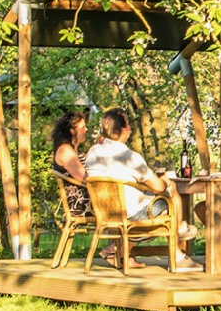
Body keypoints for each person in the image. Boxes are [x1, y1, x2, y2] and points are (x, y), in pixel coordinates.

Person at [84, 107, 199, 271]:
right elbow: (158, 187)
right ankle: (179, 248)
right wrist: (165, 179)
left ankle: (118, 248)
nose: (130, 128)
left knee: (155, 202)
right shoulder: (129, 157)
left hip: (105, 211)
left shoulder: (93, 151)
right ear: (124, 131)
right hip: (131, 214)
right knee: (170, 193)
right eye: (129, 126)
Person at [51, 109, 90, 215]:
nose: (86, 130)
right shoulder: (65, 151)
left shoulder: (76, 152)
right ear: (72, 131)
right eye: (82, 127)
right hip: (81, 203)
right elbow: (85, 177)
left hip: (90, 197)